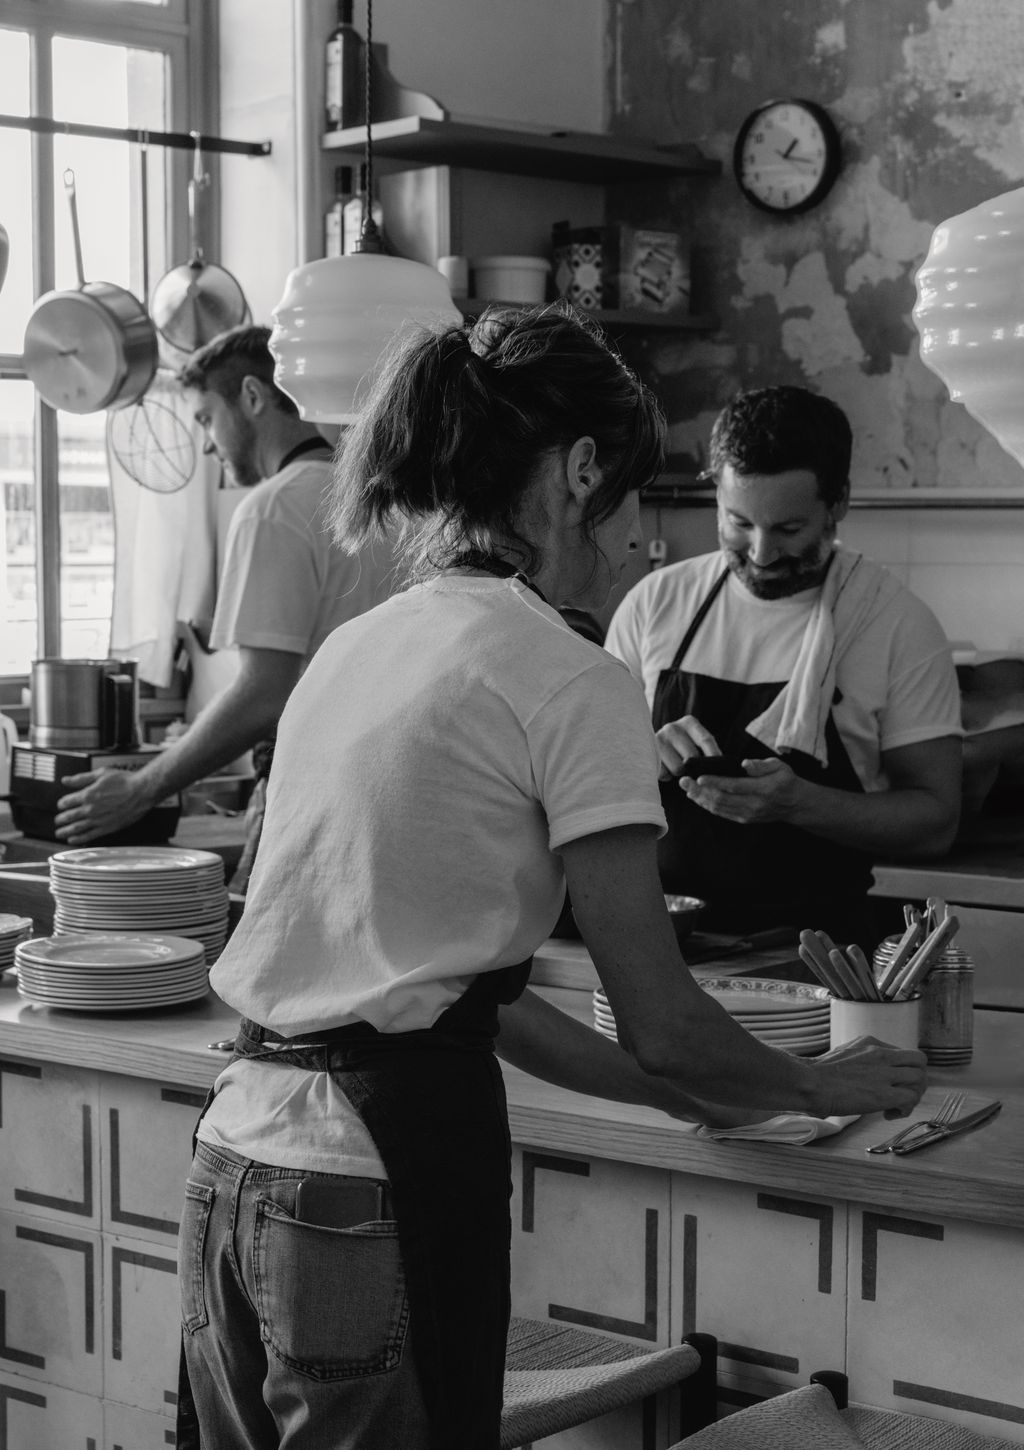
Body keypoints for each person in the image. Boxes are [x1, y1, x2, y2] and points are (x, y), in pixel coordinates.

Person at [175, 308, 926, 1450]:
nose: (641, 540)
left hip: (235, 1164)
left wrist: (678, 1092)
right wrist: (831, 1085)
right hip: (368, 1184)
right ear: (580, 472)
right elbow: (667, 1020)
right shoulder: (567, 674)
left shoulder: (364, 643)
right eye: (637, 495)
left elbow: (479, 997)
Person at [604, 384, 963, 947]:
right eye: (739, 523)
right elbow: (582, 780)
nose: (762, 553)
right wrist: (638, 758)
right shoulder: (656, 604)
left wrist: (801, 804)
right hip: (666, 943)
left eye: (788, 530)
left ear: (838, 504)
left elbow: (935, 822)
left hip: (824, 955)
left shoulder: (895, 623)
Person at [53, 323, 398, 888]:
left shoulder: (273, 508)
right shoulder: (379, 503)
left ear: (253, 398)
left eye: (207, 420)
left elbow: (265, 692)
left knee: (253, 966)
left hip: (311, 788)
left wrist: (142, 789)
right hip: (390, 787)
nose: (208, 445)